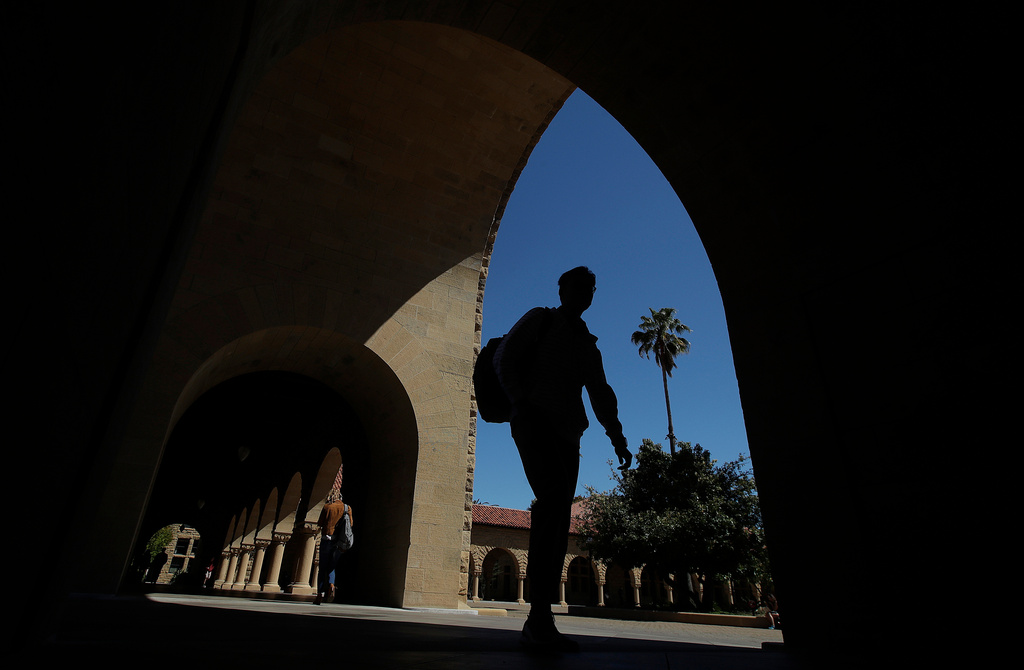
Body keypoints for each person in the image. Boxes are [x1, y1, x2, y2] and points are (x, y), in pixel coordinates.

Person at [494, 266, 631, 652]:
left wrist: (616, 436)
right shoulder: (541, 320)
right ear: (562, 289)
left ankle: (542, 617)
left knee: (557, 520)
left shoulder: (588, 344)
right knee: (552, 502)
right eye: (577, 286)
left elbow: (601, 393)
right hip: (535, 425)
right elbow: (505, 356)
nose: (584, 293)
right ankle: (539, 616)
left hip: (570, 436)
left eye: (590, 288)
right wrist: (521, 403)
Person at [315, 488, 353, 605]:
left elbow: (320, 523)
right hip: (339, 542)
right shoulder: (347, 508)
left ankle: (319, 594)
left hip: (327, 540)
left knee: (322, 568)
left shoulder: (327, 507)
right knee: (332, 566)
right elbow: (350, 524)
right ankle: (331, 584)